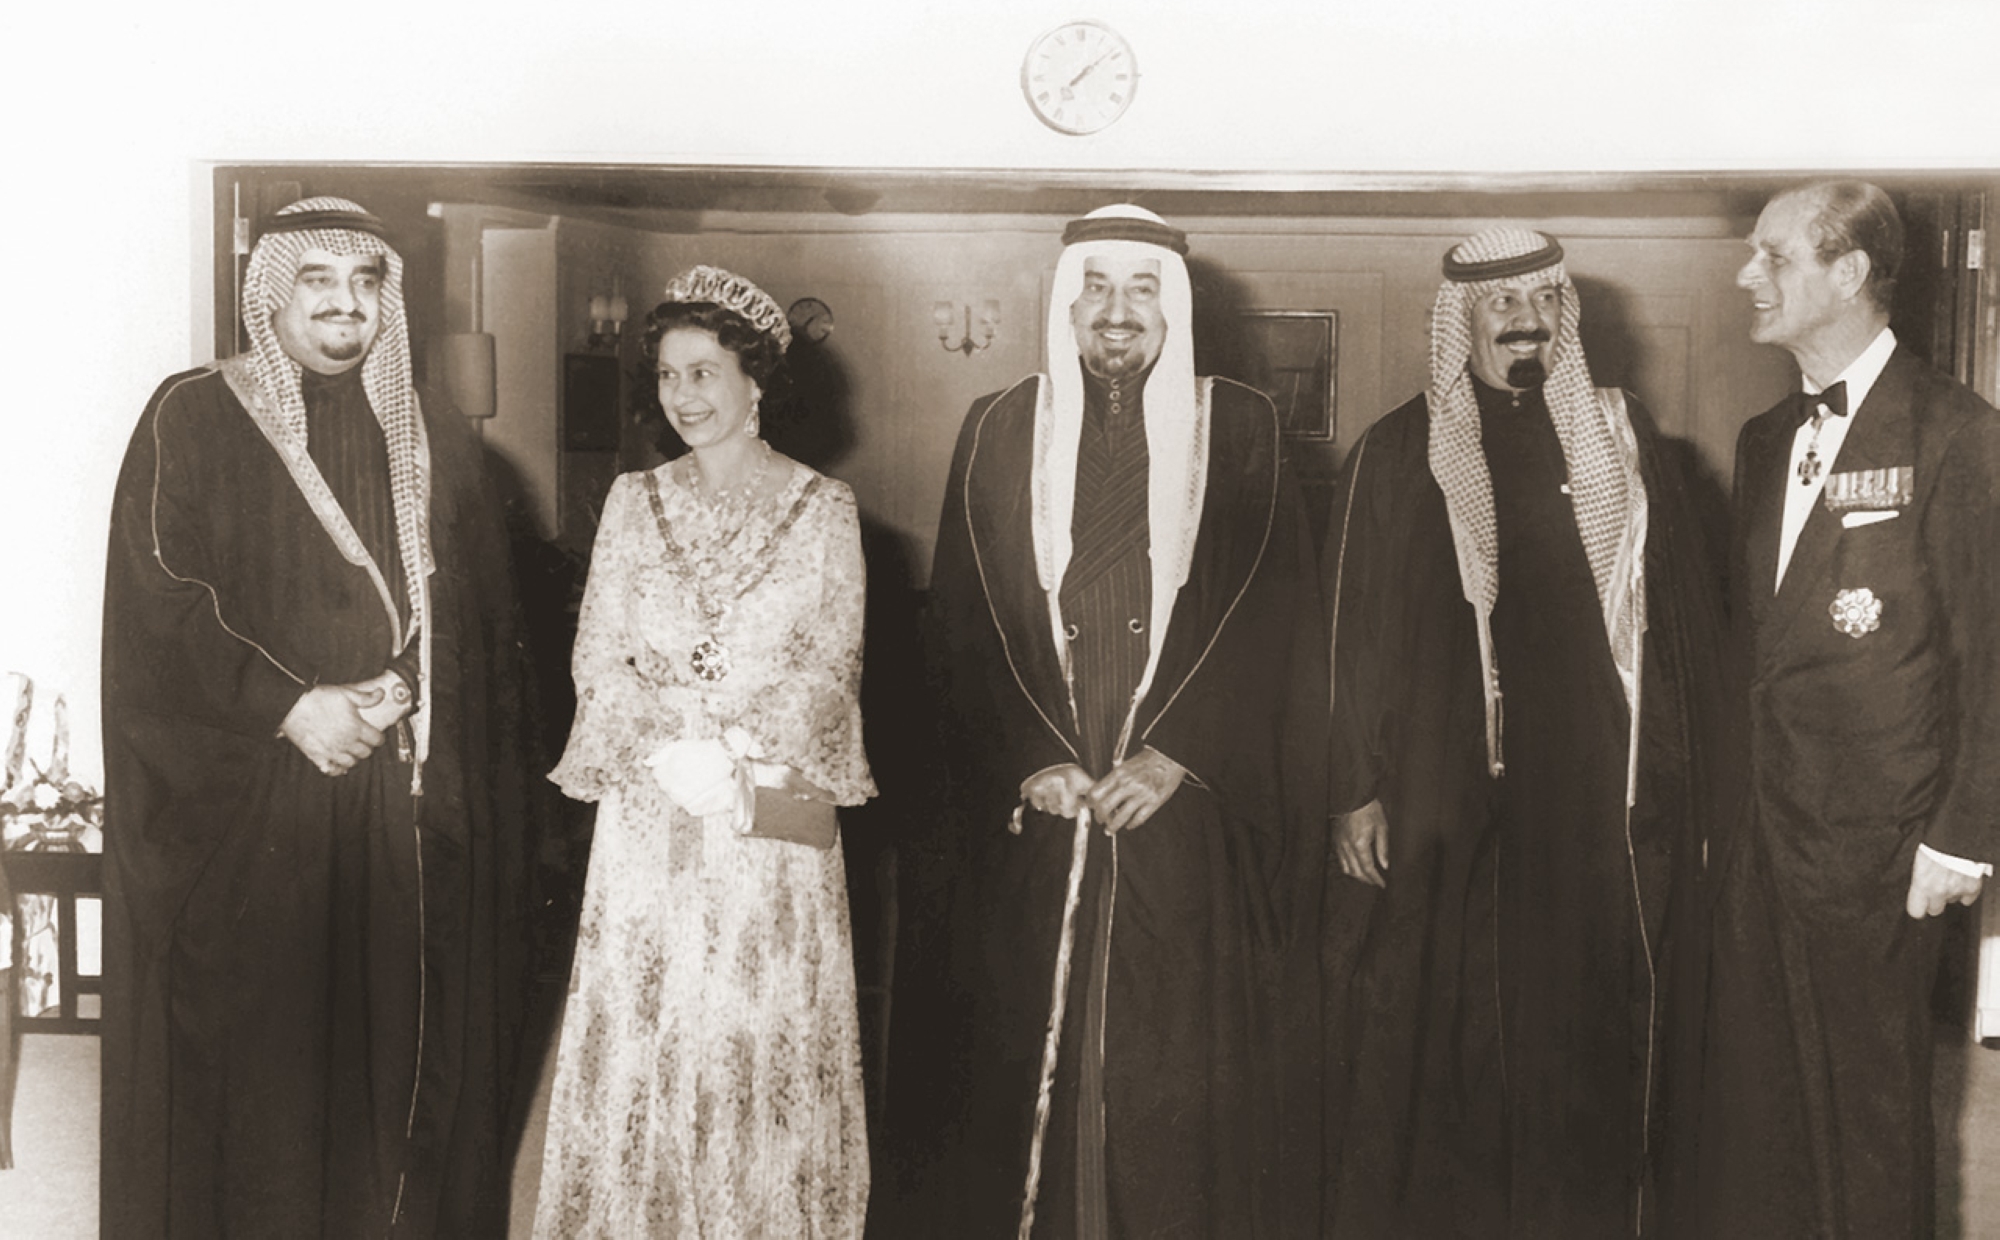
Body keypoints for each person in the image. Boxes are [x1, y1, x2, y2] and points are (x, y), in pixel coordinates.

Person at [888, 205, 1327, 1238]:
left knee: (1168, 1069)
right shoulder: (997, 426)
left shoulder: (1246, 425)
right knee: (1012, 1067)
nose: (1115, 312)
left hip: (1180, 811)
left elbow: (1279, 616)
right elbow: (959, 623)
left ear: (1171, 308)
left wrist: (1183, 751)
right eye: (1095, 288)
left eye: (1140, 289)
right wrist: (1027, 755)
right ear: (1066, 302)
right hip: (1040, 810)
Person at [100, 196, 534, 1237]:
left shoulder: (434, 436)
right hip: (259, 800)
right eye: (318, 279)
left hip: (395, 794)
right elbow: (160, 595)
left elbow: (480, 604)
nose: (347, 304)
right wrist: (291, 706)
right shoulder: (195, 412)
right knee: (269, 1063)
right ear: (271, 291)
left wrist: (409, 684)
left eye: (366, 281)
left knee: (391, 1046)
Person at [1321, 227, 1727, 1237]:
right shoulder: (1391, 450)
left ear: (1562, 316)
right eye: (1498, 305)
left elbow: (1676, 627)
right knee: (1439, 1019)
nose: (1520, 321)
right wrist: (1352, 785)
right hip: (1437, 786)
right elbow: (1348, 634)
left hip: (1585, 789)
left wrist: (1678, 782)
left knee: (1576, 1018)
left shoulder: (1622, 446)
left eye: (1539, 300)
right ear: (1459, 320)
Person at [532, 265, 877, 1237]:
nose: (683, 395)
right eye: (669, 376)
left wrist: (731, 746)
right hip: (648, 814)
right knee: (650, 1032)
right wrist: (665, 746)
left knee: (748, 1039)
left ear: (754, 381)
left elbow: (831, 665)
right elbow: (596, 655)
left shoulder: (825, 508)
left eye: (704, 372)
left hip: (764, 818)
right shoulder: (632, 503)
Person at [1699, 181, 2000, 1239]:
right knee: (1760, 1108)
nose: (1747, 275)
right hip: (1760, 838)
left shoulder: (1958, 435)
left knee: (1869, 1121)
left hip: (1879, 847)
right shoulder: (1757, 439)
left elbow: (1991, 652)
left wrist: (1961, 835)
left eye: (1772, 256)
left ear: (1848, 272)